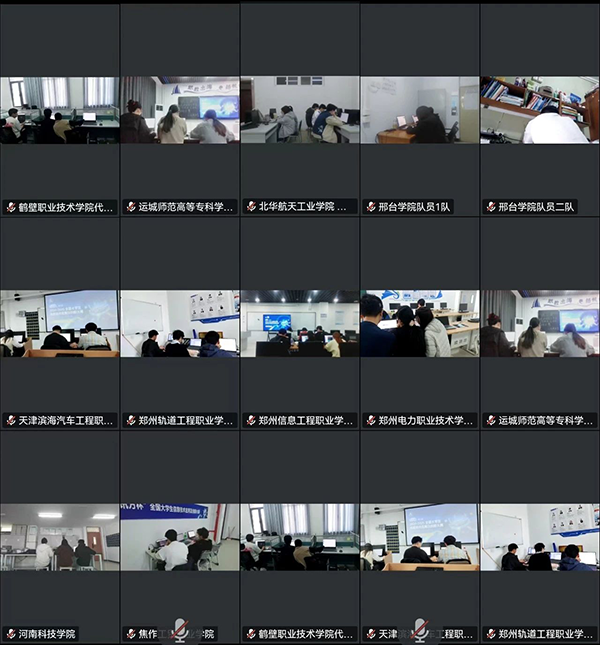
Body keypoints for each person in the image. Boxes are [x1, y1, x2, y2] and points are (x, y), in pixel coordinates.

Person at [523, 105, 590, 144]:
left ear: (541, 114)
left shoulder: (534, 121)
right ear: (558, 114)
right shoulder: (569, 120)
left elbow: (527, 142)